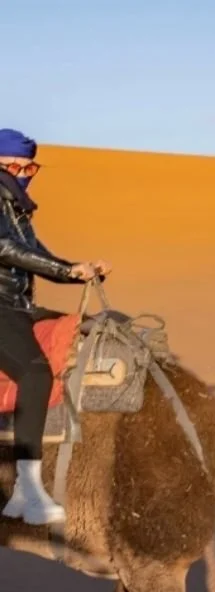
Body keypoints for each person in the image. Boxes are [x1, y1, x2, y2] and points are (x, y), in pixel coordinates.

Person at [0, 128, 111, 525]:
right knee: (35, 374)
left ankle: (20, 493)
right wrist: (66, 270)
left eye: (30, 168)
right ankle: (30, 488)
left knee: (91, 331)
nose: (23, 173)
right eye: (15, 167)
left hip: (18, 306)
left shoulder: (17, 208)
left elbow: (35, 253)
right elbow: (5, 248)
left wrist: (78, 270)